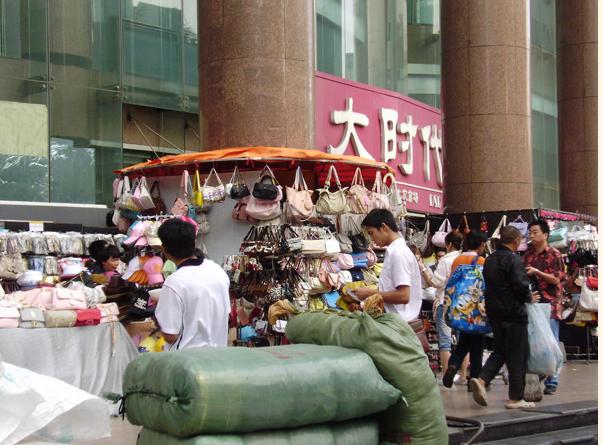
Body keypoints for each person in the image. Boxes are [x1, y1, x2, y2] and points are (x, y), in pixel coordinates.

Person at [470, 226, 540, 409]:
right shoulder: (513, 259)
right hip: (514, 313)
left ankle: (482, 380)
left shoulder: (490, 259)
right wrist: (529, 298)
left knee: (500, 350)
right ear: (516, 241)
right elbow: (520, 285)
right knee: (517, 354)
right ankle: (516, 398)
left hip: (494, 312)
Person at [154, 218, 230, 350]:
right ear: (194, 243)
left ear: (164, 250)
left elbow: (170, 334)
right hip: (219, 357)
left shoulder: (174, 283)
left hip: (188, 362)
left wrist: (157, 319)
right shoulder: (217, 270)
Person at [353, 209, 422, 322]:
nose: (372, 239)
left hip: (400, 323)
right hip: (399, 321)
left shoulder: (398, 253)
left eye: (372, 233)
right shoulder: (397, 250)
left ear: (383, 227)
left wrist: (370, 293)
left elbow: (404, 296)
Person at [522, 219, 565, 395]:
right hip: (533, 304)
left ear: (545, 234)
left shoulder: (554, 254)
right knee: (535, 343)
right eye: (530, 232)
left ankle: (552, 380)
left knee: (551, 343)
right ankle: (538, 375)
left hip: (551, 305)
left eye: (535, 232)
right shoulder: (527, 255)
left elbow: (557, 279)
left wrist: (537, 272)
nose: (531, 235)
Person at [442, 230, 488, 389]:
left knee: (464, 342)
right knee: (477, 345)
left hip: (460, 308)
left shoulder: (457, 260)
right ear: (482, 244)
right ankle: (474, 379)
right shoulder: (482, 261)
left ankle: (453, 364)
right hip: (476, 311)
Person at [418, 231, 463, 376]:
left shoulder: (445, 261)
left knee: (445, 341)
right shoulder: (463, 258)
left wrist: (423, 268)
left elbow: (436, 282)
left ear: (448, 244)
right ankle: (463, 376)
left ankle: (447, 377)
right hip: (462, 303)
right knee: (463, 341)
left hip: (444, 302)